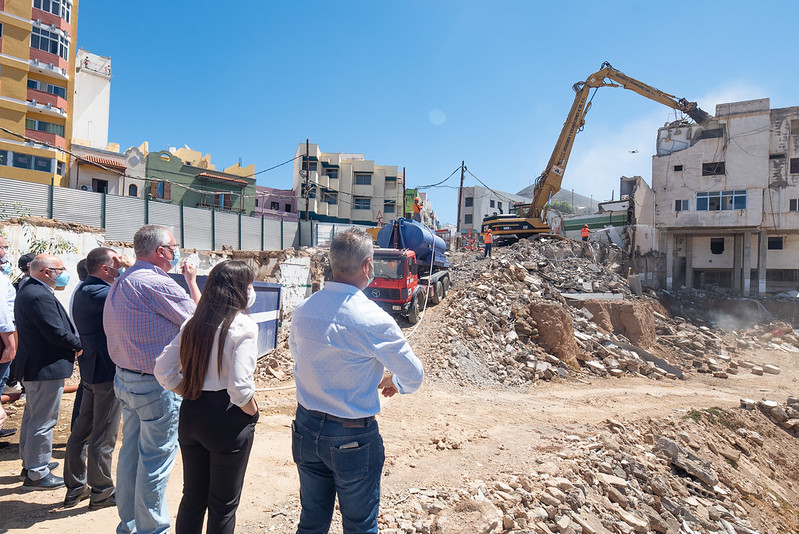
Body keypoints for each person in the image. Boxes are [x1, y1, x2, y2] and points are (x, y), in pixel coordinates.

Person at [289, 228, 424, 533]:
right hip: (352, 437)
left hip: (306, 429)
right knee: (360, 526)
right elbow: (414, 376)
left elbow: (299, 357)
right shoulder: (374, 318)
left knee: (311, 521)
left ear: (332, 264)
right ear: (367, 266)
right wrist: (395, 382)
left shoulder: (304, 310)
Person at [104, 225, 200, 534]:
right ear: (161, 252)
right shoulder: (158, 284)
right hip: (155, 386)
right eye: (174, 247)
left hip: (126, 380)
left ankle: (129, 525)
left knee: (131, 454)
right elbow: (200, 323)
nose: (176, 252)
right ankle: (152, 529)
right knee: (155, 461)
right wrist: (191, 281)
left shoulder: (125, 280)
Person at [155, 261, 259, 534]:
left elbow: (162, 370)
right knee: (223, 505)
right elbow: (240, 387)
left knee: (192, 497)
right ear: (239, 289)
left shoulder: (193, 322)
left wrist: (186, 390)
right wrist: (253, 410)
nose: (251, 290)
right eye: (249, 284)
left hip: (192, 412)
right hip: (226, 417)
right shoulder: (243, 325)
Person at [63, 248, 130, 509]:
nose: (120, 268)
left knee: (82, 430)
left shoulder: (84, 290)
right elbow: (137, 293)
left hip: (91, 370)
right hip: (105, 374)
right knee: (103, 434)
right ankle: (101, 491)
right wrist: (132, 267)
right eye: (116, 264)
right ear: (105, 269)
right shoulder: (102, 293)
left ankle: (76, 487)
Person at [15, 254, 82, 489]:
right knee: (43, 420)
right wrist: (78, 345)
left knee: (34, 417)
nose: (64, 273)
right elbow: (54, 331)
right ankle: (37, 472)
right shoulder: (38, 294)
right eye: (60, 269)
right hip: (45, 367)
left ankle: (31, 461)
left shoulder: (31, 289)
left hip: (37, 365)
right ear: (46, 272)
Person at [0, 234, 18, 446]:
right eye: (4, 247)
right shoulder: (2, 280)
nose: (6, 251)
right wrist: (10, 343)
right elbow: (3, 314)